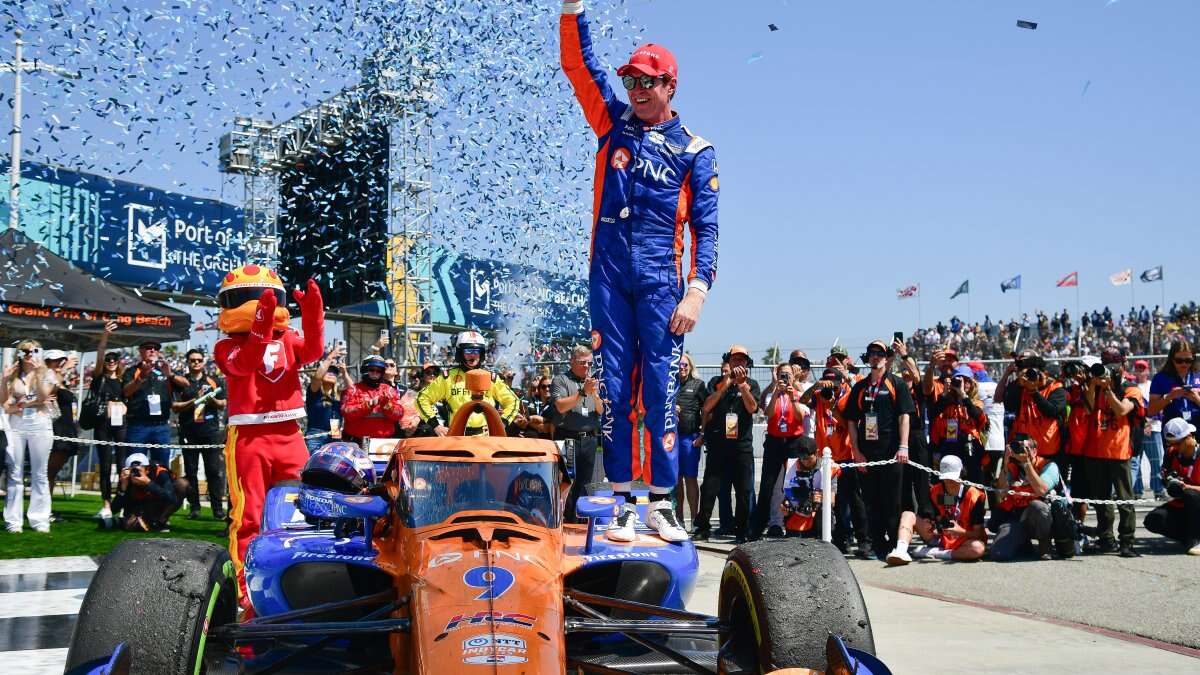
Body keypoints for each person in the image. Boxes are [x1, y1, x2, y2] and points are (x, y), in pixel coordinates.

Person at [560, 0, 719, 535]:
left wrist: (697, 289)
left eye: (647, 82)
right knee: (615, 390)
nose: (636, 89)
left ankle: (663, 501)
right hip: (607, 277)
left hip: (660, 281)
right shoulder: (611, 121)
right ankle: (625, 499)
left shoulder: (697, 150)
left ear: (670, 85)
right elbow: (580, 66)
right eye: (631, 79)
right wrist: (572, 9)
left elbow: (707, 227)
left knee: (659, 391)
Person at [214, 264, 325, 609]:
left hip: (290, 433)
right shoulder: (225, 347)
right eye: (246, 298)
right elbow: (245, 363)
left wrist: (313, 316)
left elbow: (313, 352)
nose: (255, 304)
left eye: (261, 298)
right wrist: (260, 327)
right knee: (248, 514)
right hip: (249, 437)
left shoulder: (288, 338)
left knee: (304, 508)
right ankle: (242, 588)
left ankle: (304, 576)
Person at [842, 339, 915, 560]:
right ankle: (873, 543)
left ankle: (895, 544)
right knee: (870, 501)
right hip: (867, 453)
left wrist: (903, 446)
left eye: (880, 353)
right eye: (872, 353)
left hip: (891, 451)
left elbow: (904, 416)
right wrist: (856, 451)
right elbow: (852, 421)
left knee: (892, 501)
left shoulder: (896, 384)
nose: (876, 357)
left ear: (886, 357)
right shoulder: (860, 387)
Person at [693, 346, 760, 543]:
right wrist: (726, 384)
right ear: (729, 362)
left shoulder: (752, 384)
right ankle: (702, 527)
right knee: (709, 488)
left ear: (747, 363)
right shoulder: (716, 382)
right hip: (718, 445)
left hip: (741, 447)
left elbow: (752, 407)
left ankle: (742, 530)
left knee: (743, 490)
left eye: (742, 360)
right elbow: (706, 407)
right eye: (735, 359)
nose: (738, 363)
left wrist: (742, 386)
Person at [1081, 348, 1143, 557]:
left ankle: (1127, 541)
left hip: (1119, 451)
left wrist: (1108, 390)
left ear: (1122, 367)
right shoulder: (1096, 387)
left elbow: (1122, 410)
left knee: (1125, 499)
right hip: (1095, 451)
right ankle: (1106, 539)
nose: (1109, 372)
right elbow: (1088, 409)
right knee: (1101, 500)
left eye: (1113, 367)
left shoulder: (1130, 388)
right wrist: (1092, 384)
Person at [805, 366, 867, 556]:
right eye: (828, 383)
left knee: (855, 501)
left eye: (835, 384)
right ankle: (840, 539)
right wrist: (816, 386)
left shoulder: (848, 395)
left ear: (842, 383)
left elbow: (849, 423)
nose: (831, 388)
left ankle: (864, 541)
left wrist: (832, 404)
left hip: (847, 455)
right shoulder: (819, 394)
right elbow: (801, 400)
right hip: (827, 459)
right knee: (837, 503)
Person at [886, 455, 987, 565]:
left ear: (962, 473)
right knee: (908, 514)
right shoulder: (935, 491)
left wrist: (960, 531)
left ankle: (939, 553)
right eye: (946, 478)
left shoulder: (974, 496)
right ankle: (901, 551)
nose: (949, 481)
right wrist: (931, 523)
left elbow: (978, 534)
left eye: (953, 477)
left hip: (964, 540)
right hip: (940, 537)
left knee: (978, 548)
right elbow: (930, 517)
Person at [749, 361, 810, 540]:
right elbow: (768, 413)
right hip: (775, 441)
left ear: (794, 375)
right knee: (768, 485)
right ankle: (760, 526)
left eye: (788, 374)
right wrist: (777, 390)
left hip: (793, 441)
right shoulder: (772, 394)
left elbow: (800, 416)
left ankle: (794, 525)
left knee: (794, 484)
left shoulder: (798, 393)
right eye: (782, 374)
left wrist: (792, 397)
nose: (785, 377)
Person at [416, 331, 518, 436]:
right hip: (457, 436)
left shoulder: (491, 378)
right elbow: (422, 398)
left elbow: (513, 401)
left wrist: (502, 423)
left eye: (476, 350)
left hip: (486, 438)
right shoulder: (447, 378)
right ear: (460, 353)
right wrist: (436, 426)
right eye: (468, 350)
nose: (472, 355)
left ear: (481, 353)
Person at [2, 339, 56, 532]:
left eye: (33, 350)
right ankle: (13, 521)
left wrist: (39, 373)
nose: (29, 354)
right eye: (25, 351)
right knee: (14, 473)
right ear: (19, 353)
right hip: (16, 424)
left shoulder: (47, 372)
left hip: (40, 424)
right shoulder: (13, 375)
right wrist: (3, 379)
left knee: (40, 473)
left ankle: (40, 520)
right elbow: (4, 404)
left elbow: (43, 397)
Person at [551, 346, 607, 526]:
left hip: (589, 439)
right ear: (572, 361)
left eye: (589, 363)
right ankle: (561, 519)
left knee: (585, 483)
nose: (587, 367)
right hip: (567, 437)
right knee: (566, 480)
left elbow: (600, 411)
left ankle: (579, 521)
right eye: (582, 362)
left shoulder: (594, 382)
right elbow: (560, 406)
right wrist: (582, 392)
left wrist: (595, 395)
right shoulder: (561, 380)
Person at [989, 436, 1068, 561]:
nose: (1021, 451)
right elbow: (1001, 493)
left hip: (1047, 517)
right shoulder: (1012, 466)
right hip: (1018, 516)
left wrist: (1026, 463)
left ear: (1035, 451)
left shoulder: (1048, 466)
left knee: (1037, 507)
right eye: (1018, 448)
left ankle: (1045, 545)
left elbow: (1041, 490)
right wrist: (1005, 463)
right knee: (998, 553)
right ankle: (1024, 544)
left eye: (1025, 448)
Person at [171, 349, 228, 520]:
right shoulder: (181, 382)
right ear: (187, 362)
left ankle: (217, 509)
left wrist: (212, 400)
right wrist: (195, 400)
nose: (196, 363)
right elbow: (175, 406)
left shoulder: (213, 380)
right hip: (189, 431)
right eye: (192, 360)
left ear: (204, 361)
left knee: (213, 471)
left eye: (199, 360)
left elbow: (222, 404)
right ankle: (194, 508)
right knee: (191, 471)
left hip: (210, 432)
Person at [86, 322, 127, 522]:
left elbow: (130, 396)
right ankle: (106, 504)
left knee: (122, 465)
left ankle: (120, 503)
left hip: (120, 424)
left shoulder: (122, 380)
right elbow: (100, 353)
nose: (111, 362)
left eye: (114, 359)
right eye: (109, 359)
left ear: (119, 363)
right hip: (102, 423)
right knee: (105, 464)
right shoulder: (98, 378)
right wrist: (105, 335)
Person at [1143, 418, 1200, 554]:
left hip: (1195, 500)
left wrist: (1189, 487)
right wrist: (1170, 482)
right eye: (1170, 444)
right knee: (1154, 520)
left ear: (1189, 437)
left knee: (1190, 495)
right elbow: (1165, 475)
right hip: (1183, 504)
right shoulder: (1171, 453)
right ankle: (1187, 538)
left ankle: (1196, 538)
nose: (1174, 447)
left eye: (1178, 443)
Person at [928, 365, 988, 486]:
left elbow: (979, 417)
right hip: (950, 445)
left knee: (973, 482)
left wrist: (963, 395)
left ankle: (974, 503)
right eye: (959, 380)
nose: (963, 384)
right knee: (948, 484)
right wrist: (944, 394)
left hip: (970, 447)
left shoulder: (976, 403)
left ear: (972, 384)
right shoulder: (947, 403)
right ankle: (950, 504)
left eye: (966, 381)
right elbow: (932, 415)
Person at [1002, 351, 1067, 464]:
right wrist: (1019, 382)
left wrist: (1034, 391)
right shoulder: (1022, 387)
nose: (1031, 376)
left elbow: (1051, 411)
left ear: (1044, 373)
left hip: (1049, 450)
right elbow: (1009, 406)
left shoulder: (1056, 388)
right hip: (1024, 449)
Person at [121, 339, 177, 465]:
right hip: (138, 425)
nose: (152, 350)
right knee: (135, 465)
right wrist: (141, 377)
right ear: (140, 351)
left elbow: (185, 384)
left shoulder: (165, 370)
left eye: (155, 348)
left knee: (162, 466)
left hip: (161, 425)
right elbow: (126, 392)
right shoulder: (132, 371)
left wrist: (170, 375)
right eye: (148, 348)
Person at [341, 356, 414, 444]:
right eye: (372, 370)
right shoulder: (353, 390)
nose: (375, 373)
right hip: (356, 442)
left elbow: (399, 414)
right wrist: (367, 405)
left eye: (379, 371)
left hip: (383, 443)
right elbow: (346, 412)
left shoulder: (389, 390)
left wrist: (387, 405)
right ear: (364, 370)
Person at [112, 452, 187, 532]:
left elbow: (172, 499)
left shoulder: (160, 472)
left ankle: (161, 520)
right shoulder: (126, 478)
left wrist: (149, 483)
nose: (135, 474)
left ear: (147, 469)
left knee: (182, 484)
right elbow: (114, 509)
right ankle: (147, 522)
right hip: (139, 507)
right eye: (132, 470)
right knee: (130, 524)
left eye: (138, 470)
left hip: (159, 503)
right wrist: (123, 488)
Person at [674, 353, 707, 527]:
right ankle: (679, 519)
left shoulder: (699, 385)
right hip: (672, 438)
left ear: (691, 367)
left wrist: (703, 434)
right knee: (676, 479)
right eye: (679, 365)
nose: (682, 368)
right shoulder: (670, 385)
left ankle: (695, 519)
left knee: (690, 479)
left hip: (690, 439)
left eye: (685, 365)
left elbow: (707, 411)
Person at [44, 349, 81, 500]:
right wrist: (64, 369)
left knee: (51, 473)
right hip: (55, 430)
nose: (60, 363)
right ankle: (43, 509)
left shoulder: (61, 380)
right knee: (47, 473)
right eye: (56, 360)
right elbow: (48, 392)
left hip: (67, 431)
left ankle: (46, 507)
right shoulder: (47, 378)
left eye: (62, 360)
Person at [779, 445, 836, 538]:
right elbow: (786, 495)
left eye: (808, 458)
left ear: (816, 453)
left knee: (824, 507)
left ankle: (824, 538)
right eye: (802, 458)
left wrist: (821, 497)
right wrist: (785, 506)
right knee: (785, 505)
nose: (805, 462)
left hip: (817, 513)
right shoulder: (791, 465)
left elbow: (832, 501)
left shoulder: (828, 466)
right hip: (797, 514)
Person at [305, 344, 353, 453]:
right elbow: (317, 377)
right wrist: (330, 358)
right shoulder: (315, 392)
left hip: (335, 434)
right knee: (315, 467)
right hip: (315, 436)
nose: (332, 374)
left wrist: (344, 373)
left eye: (335, 373)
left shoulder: (338, 395)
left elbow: (353, 391)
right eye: (328, 371)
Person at [1132, 359, 1166, 500]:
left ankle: (1158, 490)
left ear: (1147, 370)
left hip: (1155, 427)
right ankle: (1137, 491)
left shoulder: (1153, 385)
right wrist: (1143, 424)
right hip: (1138, 430)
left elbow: (1160, 406)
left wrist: (1149, 423)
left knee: (1156, 460)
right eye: (1138, 368)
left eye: (1142, 368)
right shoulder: (1132, 387)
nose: (1140, 371)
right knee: (1136, 461)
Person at [1148, 339, 1200, 430]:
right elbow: (1151, 411)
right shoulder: (1160, 378)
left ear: (1193, 359)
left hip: (1197, 428)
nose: (1184, 364)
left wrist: (1196, 398)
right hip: (1173, 432)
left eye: (1188, 360)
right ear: (1172, 359)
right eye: (1179, 360)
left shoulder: (1198, 376)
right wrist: (1169, 397)